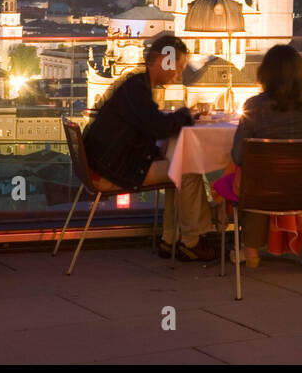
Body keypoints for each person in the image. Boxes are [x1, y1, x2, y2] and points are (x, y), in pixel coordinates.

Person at [82, 33, 218, 261]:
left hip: (105, 164)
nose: (179, 75)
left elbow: (152, 125)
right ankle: (193, 241)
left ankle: (171, 239)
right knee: (188, 171)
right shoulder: (138, 90)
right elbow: (158, 128)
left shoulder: (136, 84)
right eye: (178, 67)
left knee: (177, 167)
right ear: (164, 61)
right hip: (111, 171)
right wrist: (186, 114)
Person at [212, 44, 302, 267]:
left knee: (242, 178)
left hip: (262, 190)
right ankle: (284, 240)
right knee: (258, 178)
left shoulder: (255, 106)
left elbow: (238, 155)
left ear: (265, 73)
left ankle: (249, 248)